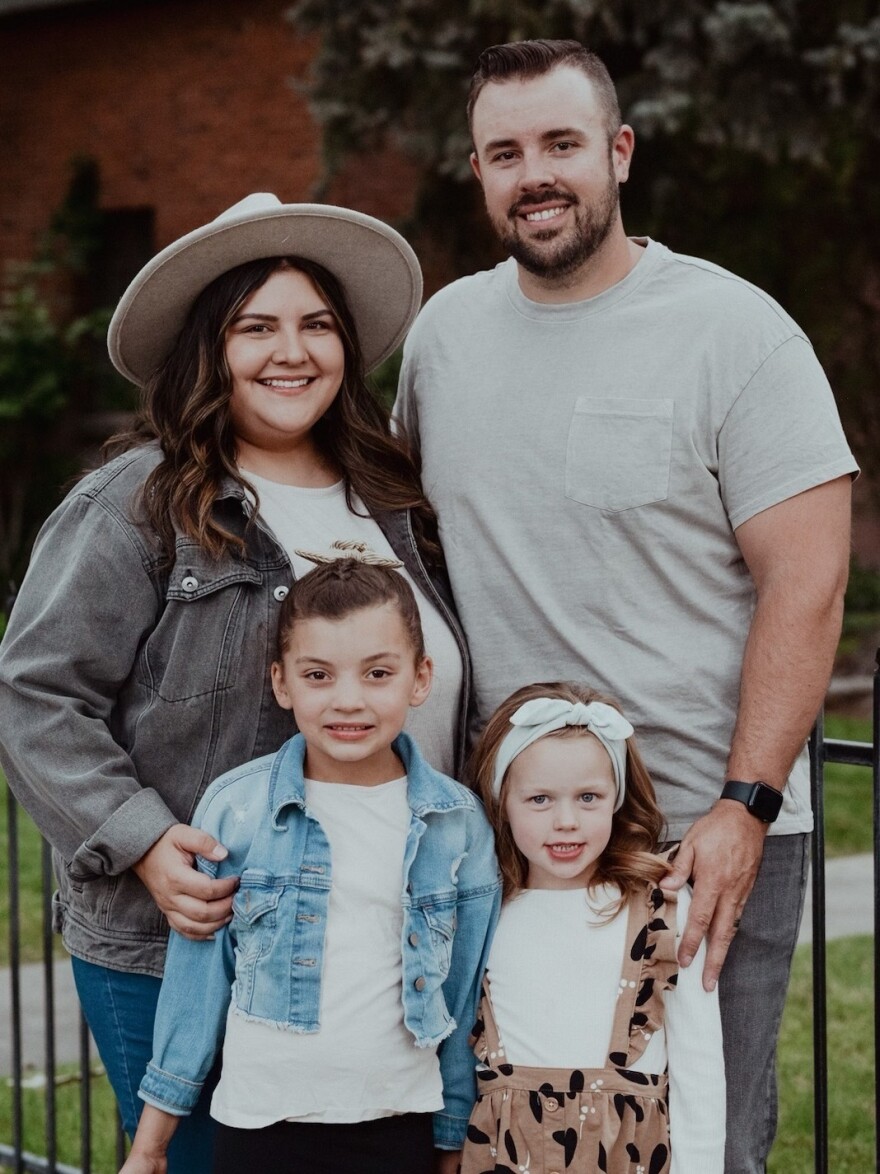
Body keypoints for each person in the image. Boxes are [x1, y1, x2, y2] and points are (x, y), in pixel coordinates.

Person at [395, 38, 857, 1172]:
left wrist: (747, 803)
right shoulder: (443, 337)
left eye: (561, 143)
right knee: (513, 1138)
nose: (535, 175)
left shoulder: (737, 333)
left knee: (700, 1144)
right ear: (479, 172)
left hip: (699, 832)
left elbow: (808, 585)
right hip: (510, 836)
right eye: (506, 152)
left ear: (619, 152)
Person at [0, 194, 471, 1172]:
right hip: (186, 943)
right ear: (207, 352)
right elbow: (35, 694)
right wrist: (140, 840)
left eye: (316, 325)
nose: (290, 351)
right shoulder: (139, 504)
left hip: (385, 951)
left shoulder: (392, 498)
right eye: (255, 327)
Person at [118, 556, 499, 1174]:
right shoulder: (239, 808)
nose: (348, 700)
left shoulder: (456, 823)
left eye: (378, 673)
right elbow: (196, 985)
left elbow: (463, 992)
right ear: (282, 683)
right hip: (261, 1125)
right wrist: (151, 1144)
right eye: (318, 675)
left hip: (398, 1121)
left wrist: (453, 1131)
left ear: (420, 678)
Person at [460, 681, 724, 1173]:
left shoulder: (658, 907)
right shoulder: (485, 908)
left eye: (588, 797)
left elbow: (700, 1065)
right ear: (501, 802)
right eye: (539, 799)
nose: (566, 821)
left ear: (616, 799)